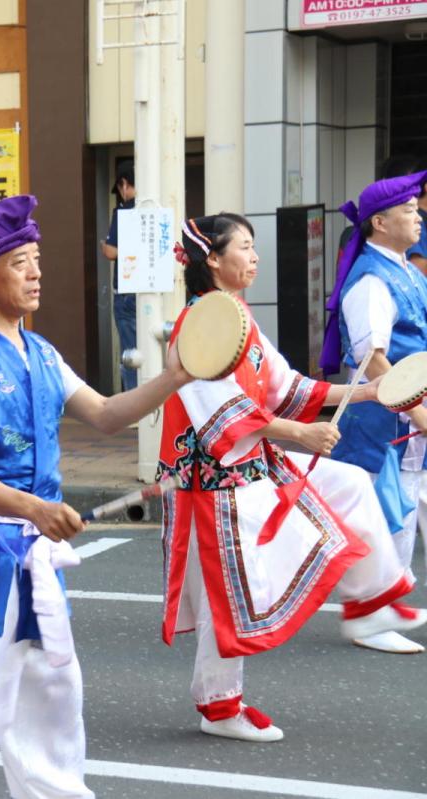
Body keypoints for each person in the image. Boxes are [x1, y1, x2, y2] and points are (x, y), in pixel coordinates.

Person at [0, 195, 191, 798]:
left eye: (36, 260)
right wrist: (34, 508)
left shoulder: (41, 353)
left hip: (36, 555)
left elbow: (107, 414)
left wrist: (173, 376)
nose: (37, 272)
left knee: (51, 693)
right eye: (20, 262)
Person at [158, 214, 425, 745]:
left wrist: (369, 392)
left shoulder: (237, 318)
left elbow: (283, 385)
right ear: (213, 259)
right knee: (224, 601)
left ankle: (368, 602)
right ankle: (219, 706)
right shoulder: (197, 325)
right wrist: (300, 437)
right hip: (210, 484)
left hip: (247, 466)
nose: (255, 257)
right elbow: (221, 411)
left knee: (348, 483)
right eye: (246, 247)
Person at [327, 171, 427, 646]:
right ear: (380, 223)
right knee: (392, 513)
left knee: (405, 507)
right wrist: (421, 414)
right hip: (383, 420)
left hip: (406, 414)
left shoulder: (402, 267)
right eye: (409, 210)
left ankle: (383, 608)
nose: (418, 217)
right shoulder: (372, 279)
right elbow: (373, 359)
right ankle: (374, 614)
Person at [100, 160, 137, 391]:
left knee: (131, 353)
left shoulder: (123, 211)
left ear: (124, 184)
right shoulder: (156, 208)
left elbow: (111, 251)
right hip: (153, 290)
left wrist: (106, 246)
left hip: (126, 292)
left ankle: (136, 406)